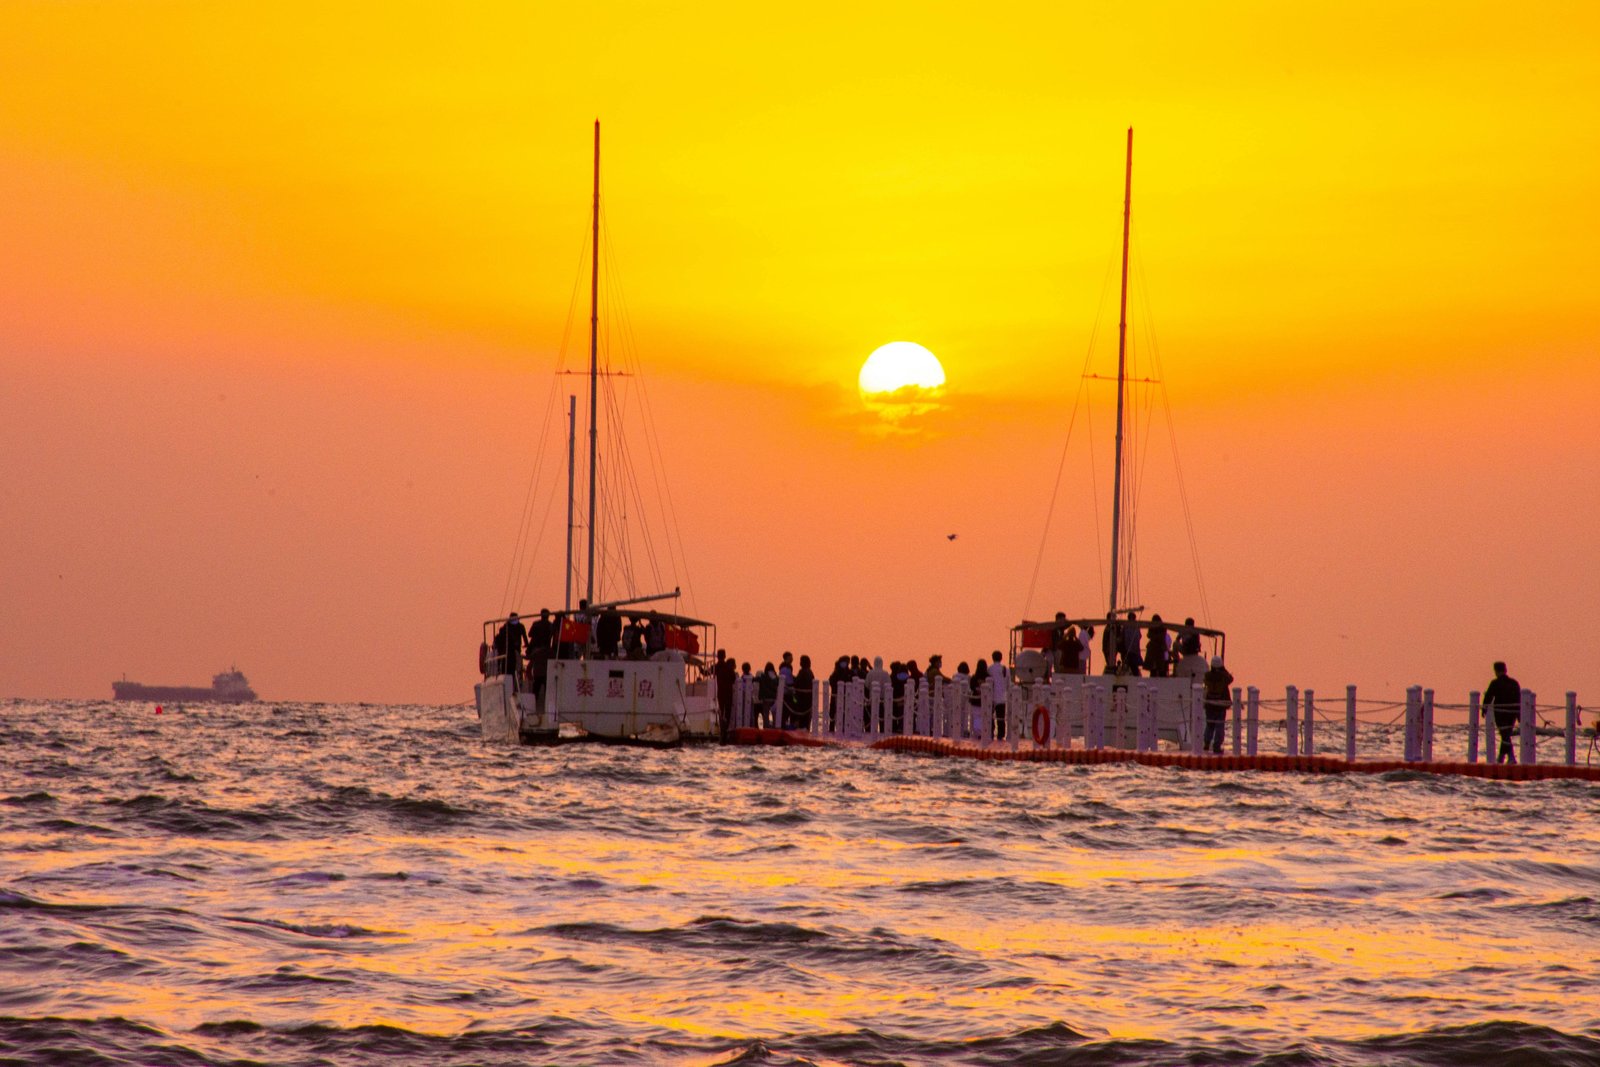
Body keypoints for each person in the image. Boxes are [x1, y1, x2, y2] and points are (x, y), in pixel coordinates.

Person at [1484, 661, 1522, 764]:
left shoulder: (1495, 683)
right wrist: (1519, 716)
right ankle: (1502, 758)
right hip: (1512, 713)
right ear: (1505, 670)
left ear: (1496, 671)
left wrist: (1484, 709)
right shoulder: (1514, 683)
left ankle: (1510, 757)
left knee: (1505, 735)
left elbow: (1488, 697)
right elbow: (1518, 700)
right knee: (1506, 734)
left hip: (1500, 713)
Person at [1202, 656, 1234, 754]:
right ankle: (1217, 746)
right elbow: (1230, 679)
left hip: (1210, 704)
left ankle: (1206, 743)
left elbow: (1204, 680)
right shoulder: (1224, 676)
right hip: (1220, 705)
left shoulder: (1207, 676)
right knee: (1219, 726)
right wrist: (1223, 669)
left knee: (1209, 725)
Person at [526, 609, 556, 699]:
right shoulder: (551, 625)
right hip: (547, 650)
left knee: (536, 674)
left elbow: (530, 634)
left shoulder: (536, 624)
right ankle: (547, 699)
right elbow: (552, 636)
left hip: (537, 649)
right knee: (546, 672)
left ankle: (535, 699)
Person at [493, 612, 527, 679]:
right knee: (511, 667)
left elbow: (525, 637)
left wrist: (527, 645)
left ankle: (517, 676)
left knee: (515, 666)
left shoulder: (519, 626)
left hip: (514, 650)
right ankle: (515, 676)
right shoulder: (506, 627)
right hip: (508, 651)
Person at [713, 649, 737, 735]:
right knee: (728, 712)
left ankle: (720, 726)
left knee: (720, 710)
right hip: (728, 693)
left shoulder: (716, 667)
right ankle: (725, 728)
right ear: (725, 656)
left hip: (720, 692)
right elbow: (733, 679)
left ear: (717, 656)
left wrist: (700, 668)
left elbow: (705, 673)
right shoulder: (729, 667)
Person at [790, 654, 815, 729]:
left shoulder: (803, 672)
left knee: (798, 714)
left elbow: (797, 683)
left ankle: (798, 727)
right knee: (806, 717)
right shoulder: (810, 672)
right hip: (809, 699)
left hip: (801, 699)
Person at [989, 650, 1009, 740]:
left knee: (991, 717)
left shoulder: (990, 669)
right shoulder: (1005, 669)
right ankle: (1001, 735)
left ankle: (991, 733)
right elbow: (1008, 683)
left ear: (992, 658)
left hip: (991, 697)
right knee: (1001, 718)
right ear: (1001, 658)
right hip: (1002, 697)